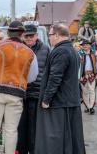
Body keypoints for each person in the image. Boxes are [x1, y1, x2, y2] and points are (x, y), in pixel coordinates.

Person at [0, 21, 38, 154]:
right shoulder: (30, 52)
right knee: (11, 129)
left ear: (8, 33)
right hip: (16, 93)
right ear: (22, 34)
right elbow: (32, 77)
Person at [35, 24, 85, 154]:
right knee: (70, 140)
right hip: (69, 100)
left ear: (56, 35)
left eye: (50, 35)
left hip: (60, 102)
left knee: (57, 140)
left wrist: (46, 99)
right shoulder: (70, 50)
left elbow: (55, 77)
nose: (49, 38)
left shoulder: (60, 51)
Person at [17, 24, 50, 154]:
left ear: (37, 35)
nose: (29, 38)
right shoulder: (19, 49)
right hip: (22, 94)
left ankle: (35, 150)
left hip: (38, 94)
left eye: (31, 35)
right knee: (21, 126)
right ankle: (21, 150)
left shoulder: (45, 49)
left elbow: (49, 71)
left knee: (36, 127)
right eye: (26, 36)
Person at [79, 40, 97, 114]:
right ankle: (87, 106)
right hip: (83, 75)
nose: (85, 46)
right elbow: (78, 66)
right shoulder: (79, 54)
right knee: (85, 92)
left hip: (92, 74)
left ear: (89, 45)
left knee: (92, 90)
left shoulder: (94, 53)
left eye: (86, 44)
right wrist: (79, 76)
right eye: (83, 45)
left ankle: (91, 107)